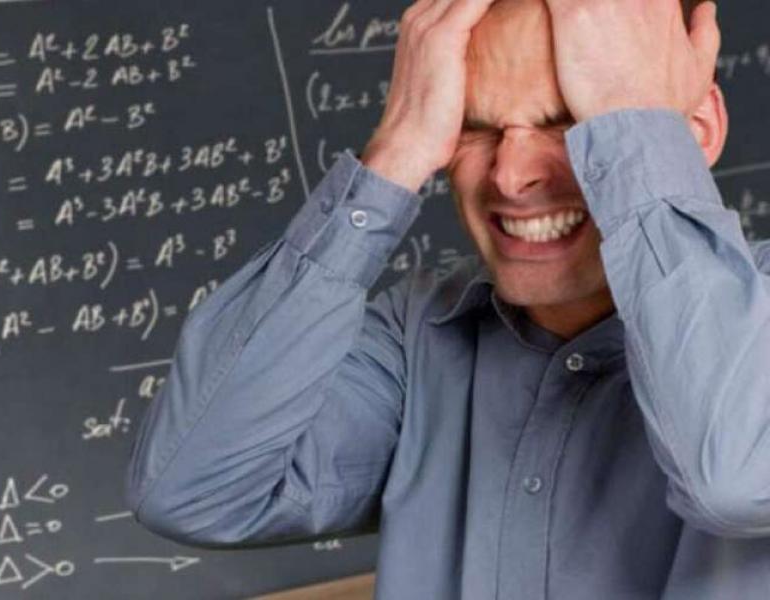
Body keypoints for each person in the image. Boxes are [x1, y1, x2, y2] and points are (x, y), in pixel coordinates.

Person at [126, 0, 770, 597]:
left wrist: (639, 144)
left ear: (696, 131)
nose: (509, 176)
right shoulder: (419, 337)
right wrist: (394, 153)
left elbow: (735, 481)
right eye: (474, 127)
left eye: (573, 121)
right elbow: (192, 492)